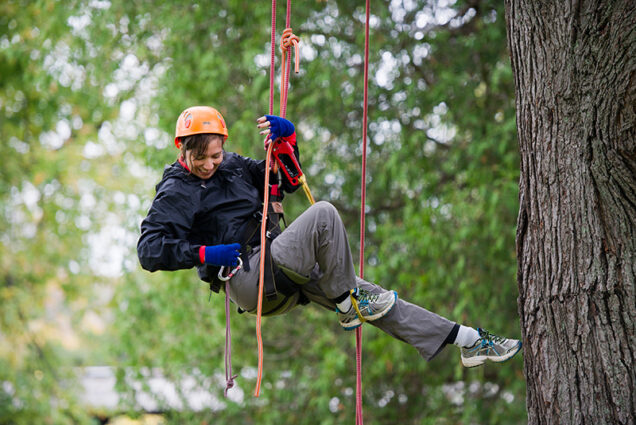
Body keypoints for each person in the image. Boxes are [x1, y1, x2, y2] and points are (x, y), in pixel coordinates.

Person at [137, 105, 522, 367]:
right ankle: (344, 302)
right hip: (249, 277)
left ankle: (468, 341)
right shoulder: (177, 191)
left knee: (376, 301)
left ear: (223, 146)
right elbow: (150, 250)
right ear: (181, 150)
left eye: (214, 155)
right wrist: (206, 253)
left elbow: (285, 180)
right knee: (324, 215)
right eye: (198, 158)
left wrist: (288, 143)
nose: (207, 165)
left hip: (279, 265)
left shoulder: (234, 166)